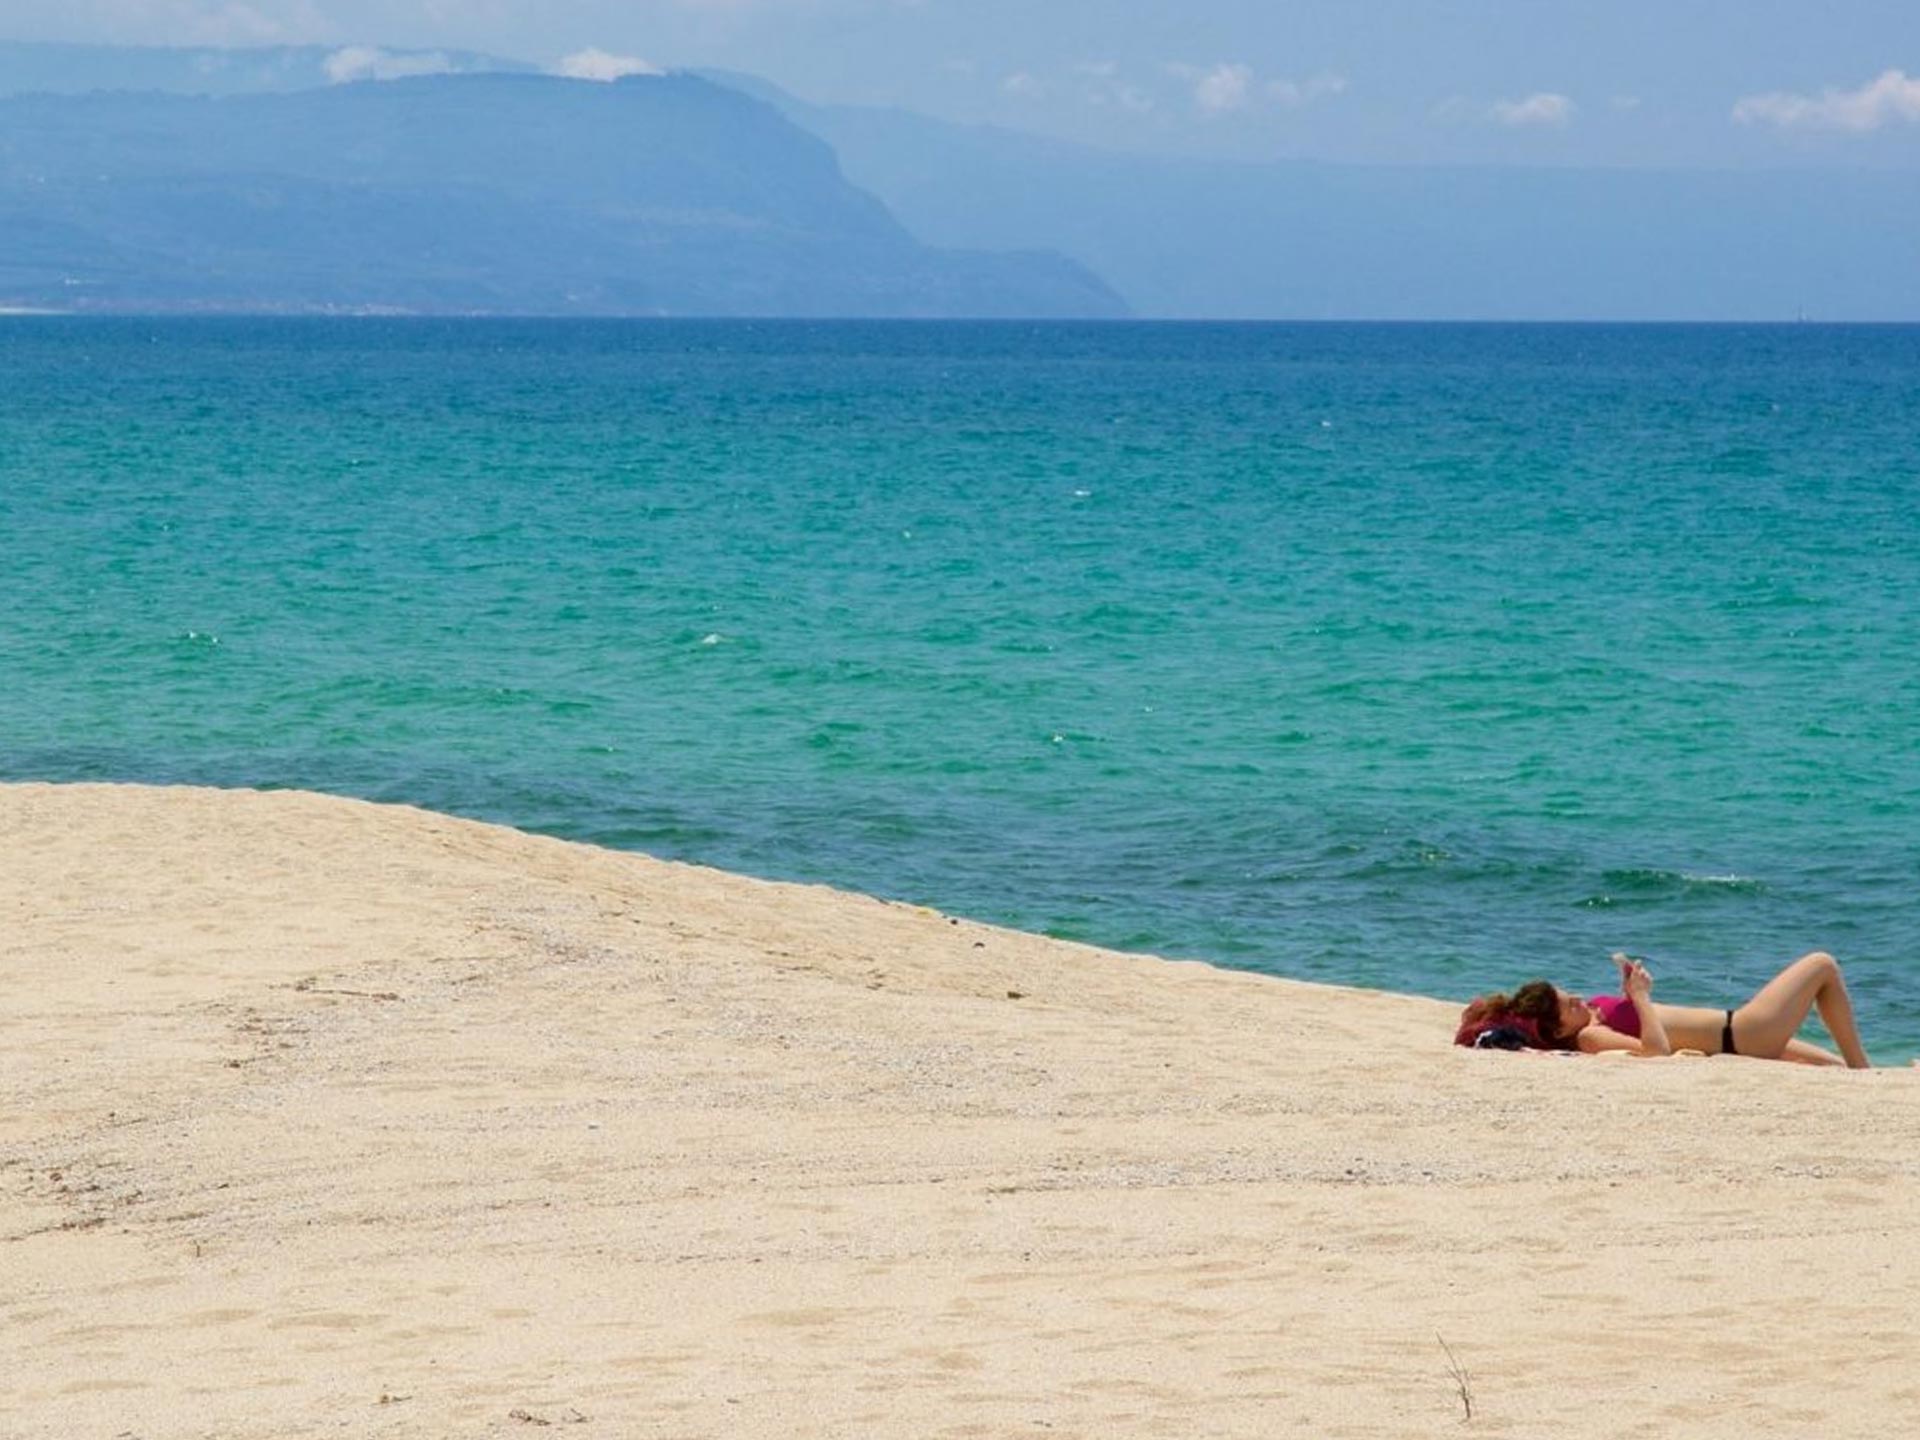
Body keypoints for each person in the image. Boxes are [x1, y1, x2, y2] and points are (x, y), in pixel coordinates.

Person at [1455, 950, 1872, 1068]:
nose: (1579, 999)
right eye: (1570, 1004)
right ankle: (1865, 1070)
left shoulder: (1589, 1022)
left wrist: (1625, 996)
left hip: (1738, 1035)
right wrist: (1639, 997)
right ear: (1561, 1029)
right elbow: (1655, 1051)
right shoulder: (1589, 1036)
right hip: (1742, 1034)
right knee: (1821, 965)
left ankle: (1861, 1070)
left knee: (1832, 1067)